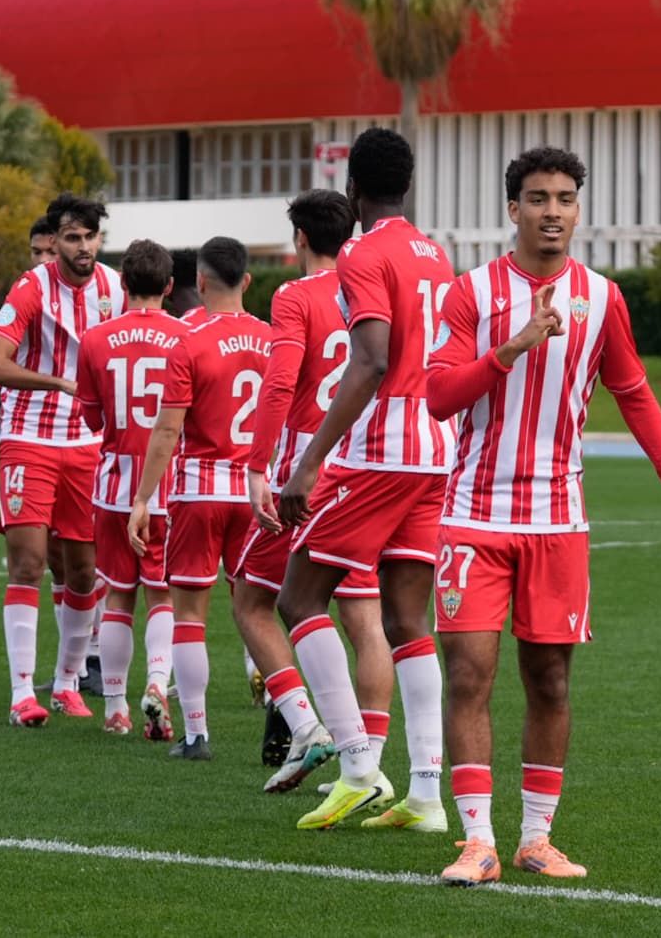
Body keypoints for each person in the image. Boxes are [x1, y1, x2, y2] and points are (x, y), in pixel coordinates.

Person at [426, 146, 661, 885]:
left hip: (558, 517)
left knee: (549, 679)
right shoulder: (471, 294)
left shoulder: (602, 297)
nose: (553, 210)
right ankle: (477, 840)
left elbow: (634, 391)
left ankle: (536, 838)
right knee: (468, 673)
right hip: (474, 515)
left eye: (565, 198)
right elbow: (440, 395)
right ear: (511, 208)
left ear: (578, 209)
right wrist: (508, 350)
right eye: (538, 197)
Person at [274, 127, 456, 832]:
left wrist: (311, 458)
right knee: (408, 618)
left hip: (384, 449)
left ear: (353, 187)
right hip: (435, 449)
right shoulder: (433, 252)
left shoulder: (360, 251)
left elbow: (373, 358)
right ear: (406, 185)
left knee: (298, 594)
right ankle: (427, 795)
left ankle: (355, 765)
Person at [243, 190, 393, 793]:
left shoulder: (294, 295)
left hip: (309, 460)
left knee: (252, 598)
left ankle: (309, 727)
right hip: (368, 460)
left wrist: (261, 466)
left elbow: (280, 383)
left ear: (300, 239)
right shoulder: (373, 284)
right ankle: (369, 764)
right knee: (364, 618)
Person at [0, 193, 126, 727]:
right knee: (29, 561)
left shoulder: (116, 287)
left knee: (85, 570)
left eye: (90, 237)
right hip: (29, 436)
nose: (82, 247)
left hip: (89, 445)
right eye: (72, 238)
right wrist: (62, 381)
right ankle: (22, 692)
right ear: (56, 242)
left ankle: (66, 683)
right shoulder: (32, 287)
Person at [127, 237, 275, 761]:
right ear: (249, 282)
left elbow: (167, 429)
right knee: (258, 610)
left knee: (189, 613)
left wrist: (144, 497)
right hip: (258, 493)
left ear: (202, 283)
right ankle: (285, 708)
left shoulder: (187, 336)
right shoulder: (273, 337)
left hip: (199, 489)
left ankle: (195, 734)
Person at [72, 240, 185, 739]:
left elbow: (91, 415)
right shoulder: (187, 336)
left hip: (115, 483)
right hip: (168, 484)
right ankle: (158, 682)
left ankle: (115, 705)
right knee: (164, 594)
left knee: (119, 596)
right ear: (169, 286)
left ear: (121, 284)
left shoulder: (96, 339)